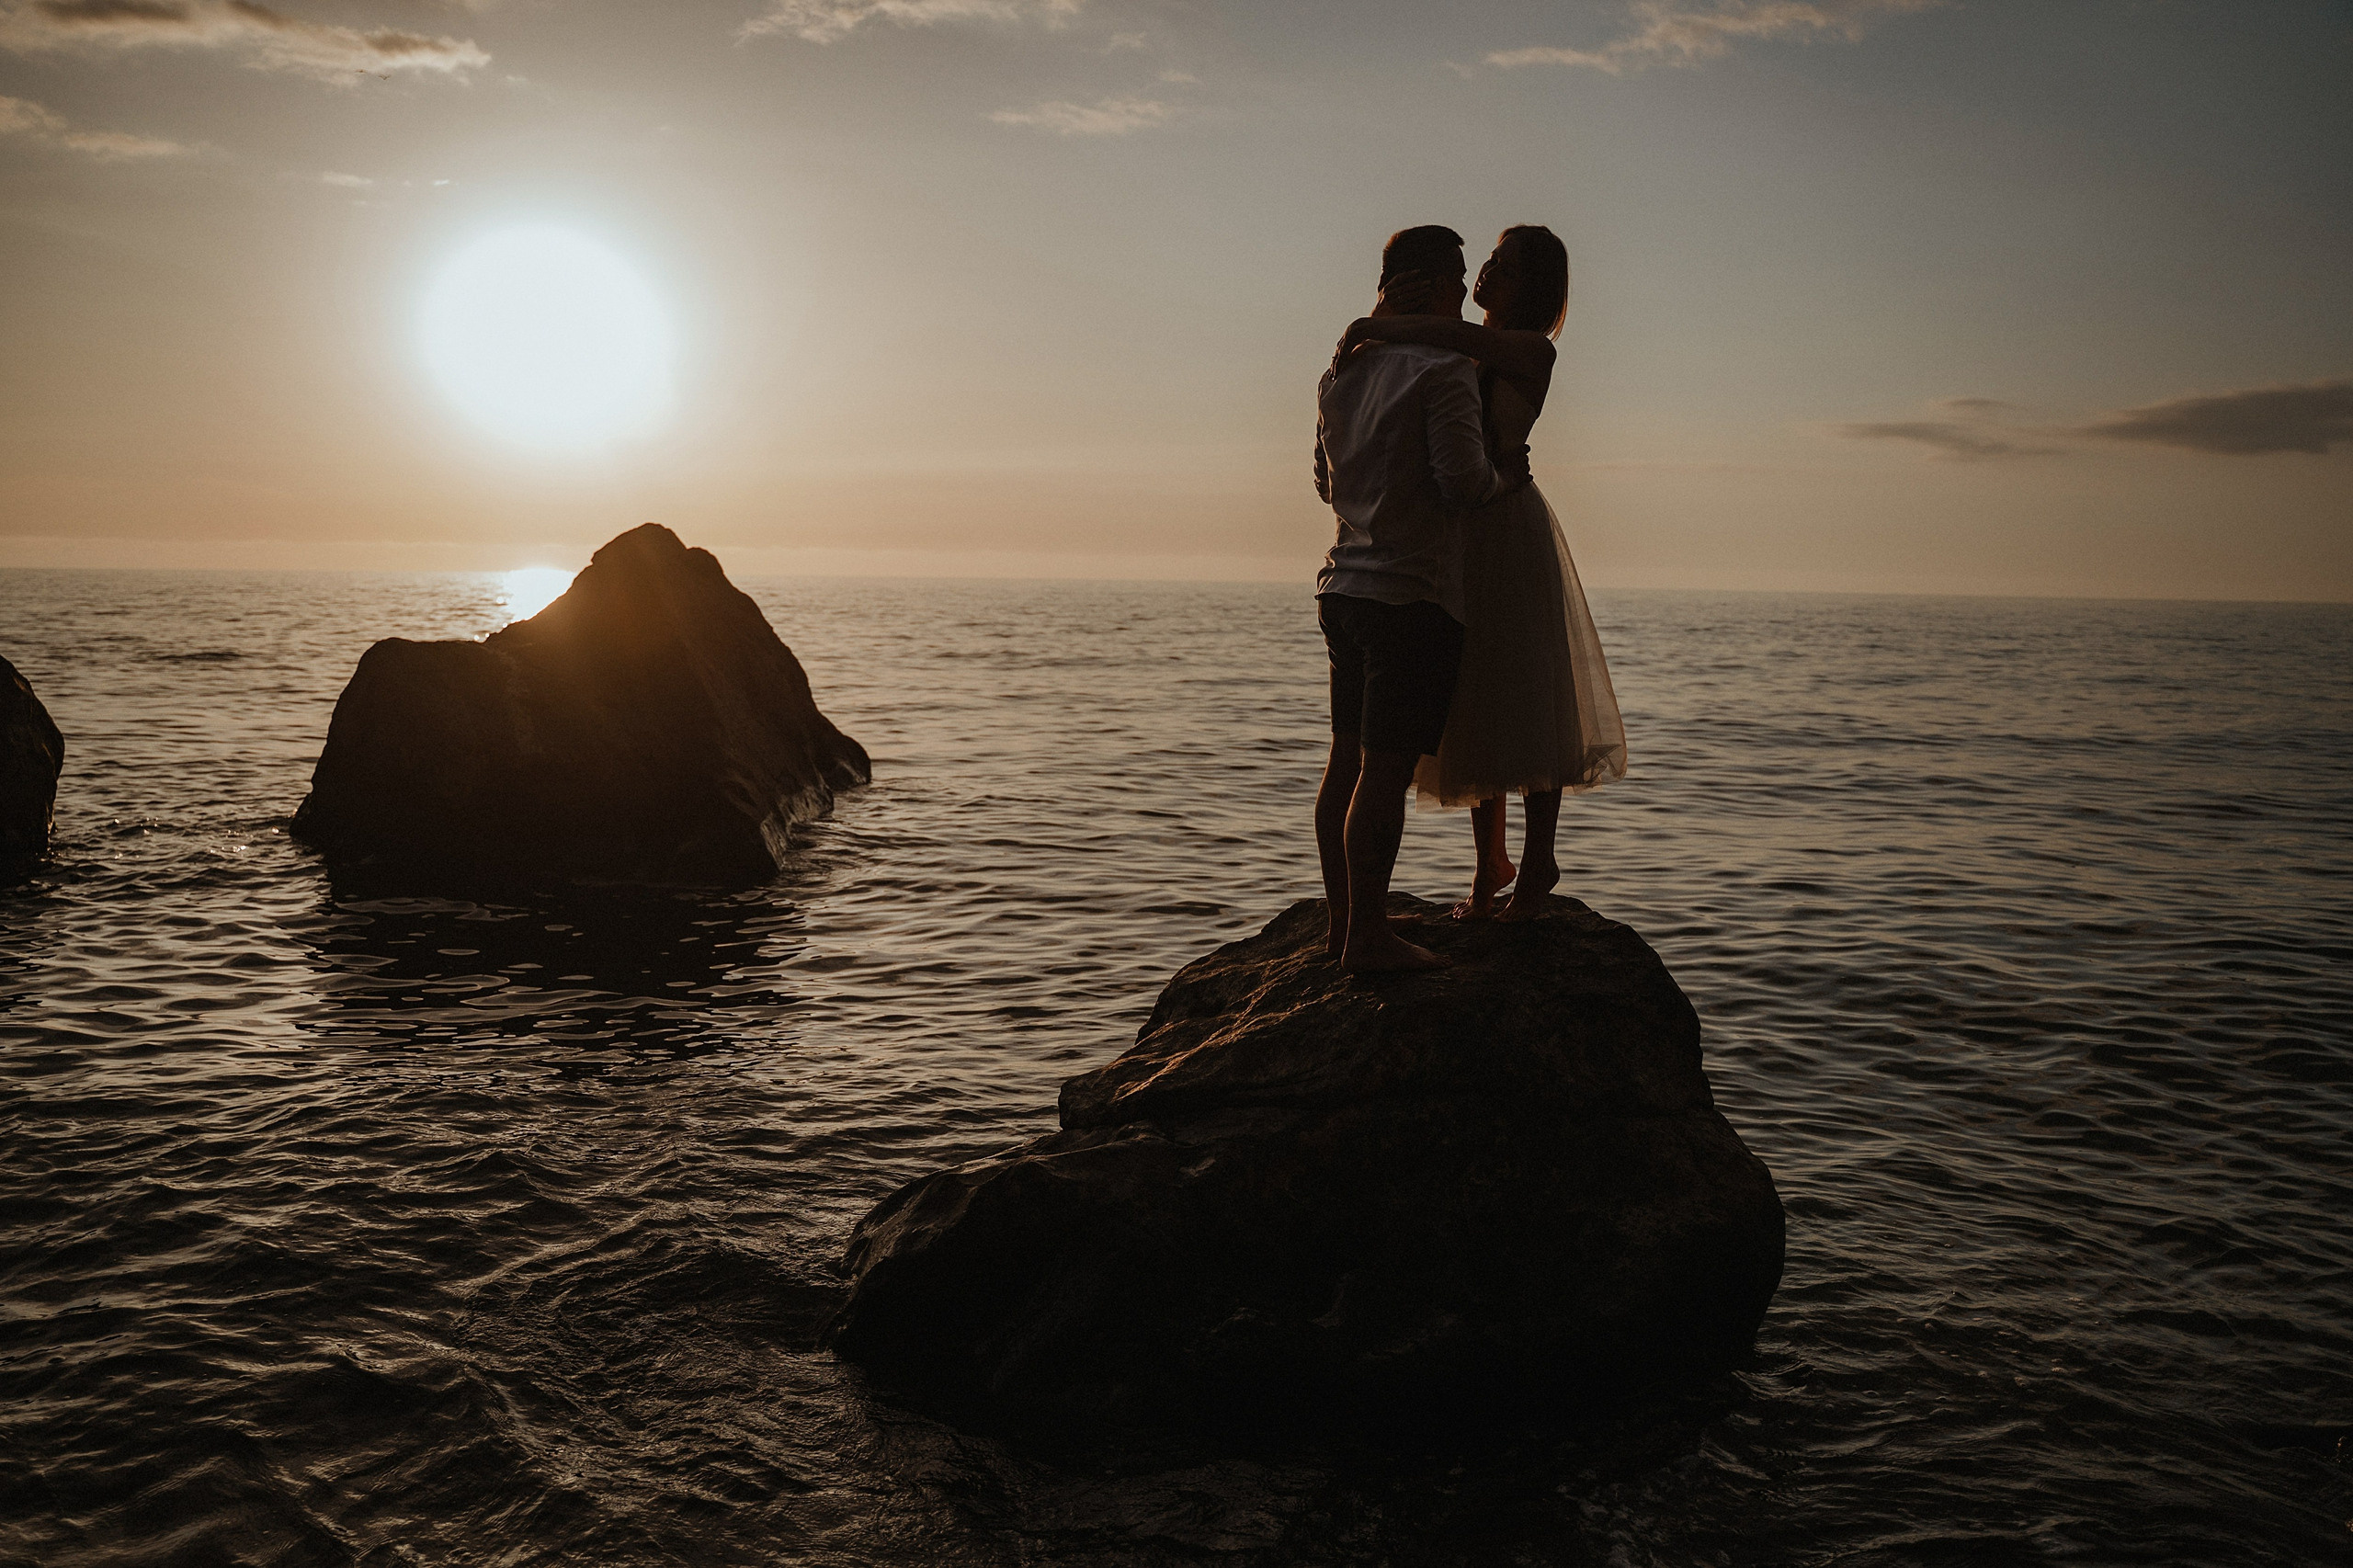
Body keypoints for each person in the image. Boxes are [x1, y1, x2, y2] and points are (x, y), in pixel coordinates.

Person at [1334, 226, 1627, 921]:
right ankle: (1485, 868)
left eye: (1504, 265)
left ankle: (1537, 864)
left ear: (1533, 286)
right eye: (1487, 261)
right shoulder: (1455, 338)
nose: (1486, 273)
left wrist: (1366, 321)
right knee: (1475, 696)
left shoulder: (1529, 348)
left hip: (1508, 526)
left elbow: (1454, 344)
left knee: (1530, 691)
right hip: (1461, 528)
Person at [1313, 225, 1528, 971]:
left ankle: (1343, 929)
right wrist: (1509, 480)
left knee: (1345, 763)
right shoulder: (1444, 369)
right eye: (1459, 277)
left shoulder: (1343, 369)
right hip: (1412, 594)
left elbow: (1323, 481)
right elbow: (1464, 483)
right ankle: (1369, 938)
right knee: (1384, 771)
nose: (1466, 294)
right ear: (1435, 283)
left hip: (1343, 585)